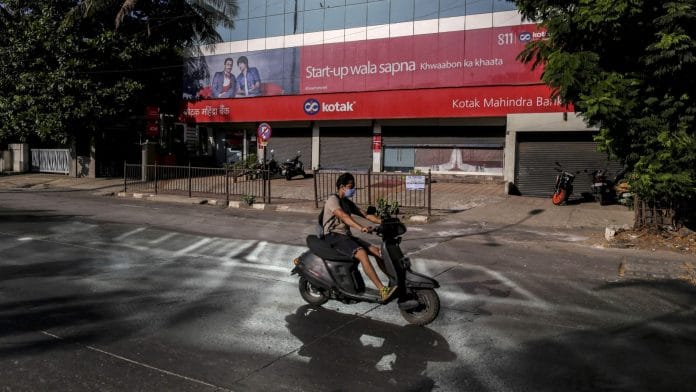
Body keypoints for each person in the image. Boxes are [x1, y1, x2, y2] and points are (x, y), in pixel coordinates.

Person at [321, 172, 397, 301]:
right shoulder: (333, 200)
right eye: (351, 186)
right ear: (342, 186)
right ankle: (381, 289)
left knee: (376, 251)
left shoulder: (347, 202)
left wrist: (385, 221)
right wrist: (360, 227)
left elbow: (366, 215)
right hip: (333, 236)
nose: (353, 189)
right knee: (362, 253)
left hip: (345, 236)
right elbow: (344, 216)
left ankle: (394, 281)